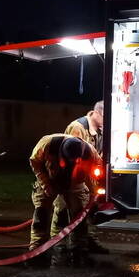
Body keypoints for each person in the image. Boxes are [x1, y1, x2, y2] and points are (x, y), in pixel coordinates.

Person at [28, 134, 98, 267]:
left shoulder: (90, 152)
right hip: (50, 179)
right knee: (41, 214)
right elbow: (35, 162)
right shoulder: (47, 144)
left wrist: (94, 194)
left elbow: (97, 173)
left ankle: (78, 249)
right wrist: (45, 184)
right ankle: (37, 249)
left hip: (75, 184)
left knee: (79, 217)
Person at [53, 100, 105, 241]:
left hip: (87, 180)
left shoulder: (100, 130)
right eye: (105, 117)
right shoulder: (78, 128)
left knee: (90, 211)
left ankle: (87, 241)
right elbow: (72, 159)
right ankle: (58, 244)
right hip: (71, 179)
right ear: (97, 113)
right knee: (65, 211)